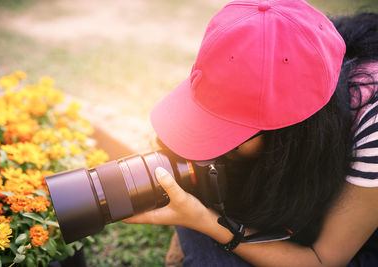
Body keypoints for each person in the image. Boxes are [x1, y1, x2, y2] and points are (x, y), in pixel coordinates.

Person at [124, 0, 378, 266]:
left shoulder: (371, 125)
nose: (218, 148)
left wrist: (202, 221)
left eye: (230, 138)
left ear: (290, 134)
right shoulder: (299, 51)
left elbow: (323, 260)